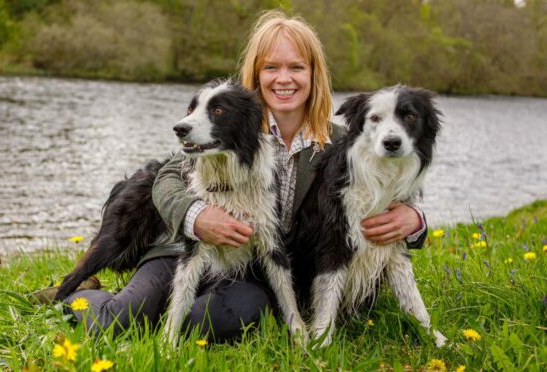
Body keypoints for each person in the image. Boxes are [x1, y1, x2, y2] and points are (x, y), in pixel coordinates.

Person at [54, 9, 427, 342]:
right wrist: (195, 215)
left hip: (254, 269)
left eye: (297, 67)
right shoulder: (231, 121)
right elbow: (167, 173)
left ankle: (173, 312)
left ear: (314, 74)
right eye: (271, 67)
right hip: (183, 250)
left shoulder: (343, 143)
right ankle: (76, 293)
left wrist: (415, 221)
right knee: (116, 322)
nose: (284, 79)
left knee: (209, 323)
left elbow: (391, 190)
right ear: (256, 73)